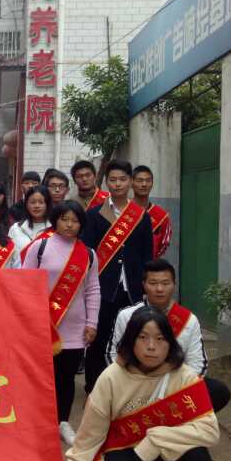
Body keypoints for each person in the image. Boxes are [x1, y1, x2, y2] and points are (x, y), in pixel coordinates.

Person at [65, 307, 219, 461]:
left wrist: (155, 439)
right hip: (126, 448)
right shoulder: (111, 377)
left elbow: (209, 430)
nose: (151, 347)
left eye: (160, 338)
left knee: (198, 460)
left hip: (166, 450)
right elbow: (92, 430)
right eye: (143, 337)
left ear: (170, 342)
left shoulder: (185, 376)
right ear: (131, 340)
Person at [22, 200, 99, 445]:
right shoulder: (40, 247)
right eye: (64, 219)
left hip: (74, 329)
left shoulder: (88, 254)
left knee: (66, 379)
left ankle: (63, 422)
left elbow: (93, 290)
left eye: (75, 220)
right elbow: (24, 284)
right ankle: (38, 423)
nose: (69, 224)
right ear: (55, 220)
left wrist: (92, 323)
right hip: (42, 326)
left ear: (81, 225)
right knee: (41, 378)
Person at [108, 259, 230, 412]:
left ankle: (171, 416)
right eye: (153, 283)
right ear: (144, 285)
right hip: (135, 383)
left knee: (218, 391)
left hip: (174, 384)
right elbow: (113, 355)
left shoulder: (188, 320)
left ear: (174, 285)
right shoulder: (126, 316)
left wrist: (173, 386)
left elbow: (197, 364)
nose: (159, 289)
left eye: (165, 283)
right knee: (104, 393)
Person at [80, 159, 153, 393]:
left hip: (132, 289)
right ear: (106, 182)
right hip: (103, 288)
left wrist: (147, 286)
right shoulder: (94, 215)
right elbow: (87, 254)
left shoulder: (141, 216)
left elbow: (147, 256)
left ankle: (127, 389)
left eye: (122, 179)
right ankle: (94, 387)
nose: (118, 184)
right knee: (99, 339)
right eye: (113, 179)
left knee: (131, 339)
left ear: (130, 182)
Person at [132, 165, 172, 258]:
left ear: (152, 183)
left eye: (148, 180)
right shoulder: (122, 211)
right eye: (139, 180)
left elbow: (163, 245)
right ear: (131, 182)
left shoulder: (162, 216)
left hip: (150, 264)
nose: (144, 184)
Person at [8, 185, 53, 262]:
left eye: (41, 202)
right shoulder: (16, 228)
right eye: (33, 202)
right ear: (26, 204)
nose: (37, 206)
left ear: (47, 205)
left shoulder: (55, 230)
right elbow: (9, 257)